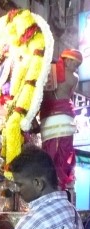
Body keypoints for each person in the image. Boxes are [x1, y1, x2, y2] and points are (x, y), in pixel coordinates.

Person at [40, 49, 83, 190]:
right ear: (67, 60)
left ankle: (49, 183)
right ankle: (62, 182)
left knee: (49, 153)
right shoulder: (74, 78)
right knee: (65, 153)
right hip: (65, 118)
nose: (75, 68)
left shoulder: (48, 71)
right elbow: (69, 95)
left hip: (48, 118)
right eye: (75, 64)